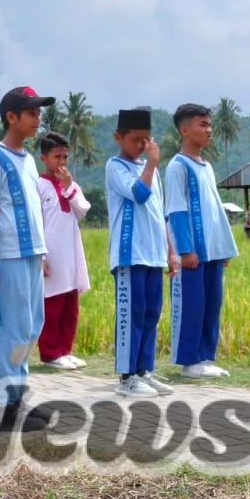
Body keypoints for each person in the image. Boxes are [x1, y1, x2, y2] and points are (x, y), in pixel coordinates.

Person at [0, 86, 56, 432]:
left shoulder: (28, 159)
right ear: (12, 117)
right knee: (11, 331)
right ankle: (4, 408)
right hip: (7, 257)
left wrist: (42, 252)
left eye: (39, 113)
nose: (37, 120)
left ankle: (17, 396)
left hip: (30, 255)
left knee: (30, 327)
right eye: (31, 114)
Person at [105, 109, 178, 398]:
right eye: (135, 140)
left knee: (151, 314)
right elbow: (139, 194)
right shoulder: (116, 167)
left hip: (153, 254)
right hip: (129, 254)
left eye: (145, 140)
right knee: (131, 314)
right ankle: (126, 377)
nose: (140, 146)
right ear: (119, 138)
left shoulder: (151, 170)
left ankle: (144, 371)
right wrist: (153, 162)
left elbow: (159, 213)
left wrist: (170, 252)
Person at [167, 103, 240, 379]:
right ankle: (189, 361)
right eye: (202, 125)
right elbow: (176, 209)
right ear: (185, 130)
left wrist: (224, 248)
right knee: (192, 305)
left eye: (209, 125)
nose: (209, 130)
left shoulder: (206, 166)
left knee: (212, 303)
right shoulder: (178, 166)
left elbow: (215, 209)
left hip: (212, 251)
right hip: (193, 253)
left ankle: (206, 357)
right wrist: (185, 249)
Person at [35, 132, 90, 370]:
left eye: (65, 157)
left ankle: (64, 350)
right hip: (51, 254)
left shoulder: (70, 184)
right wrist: (40, 256)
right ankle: (49, 353)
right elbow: (35, 222)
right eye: (57, 157)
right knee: (52, 305)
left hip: (71, 254)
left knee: (70, 304)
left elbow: (82, 210)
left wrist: (69, 188)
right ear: (44, 158)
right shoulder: (38, 185)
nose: (62, 162)